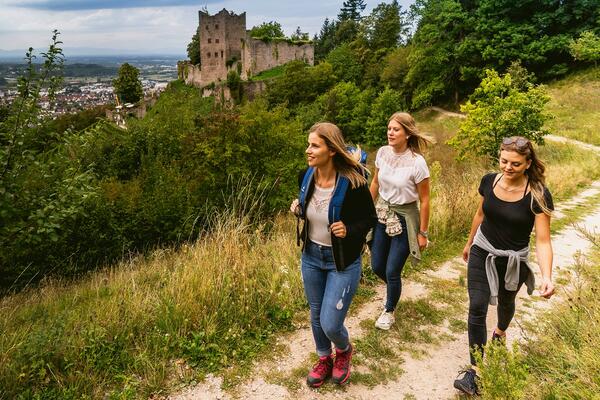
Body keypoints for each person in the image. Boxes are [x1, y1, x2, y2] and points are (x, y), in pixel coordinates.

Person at [453, 136, 555, 395]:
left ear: (528, 163)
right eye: (504, 161)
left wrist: (547, 276)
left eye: (516, 164)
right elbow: (480, 213)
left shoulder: (538, 194)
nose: (508, 167)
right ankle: (475, 372)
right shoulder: (489, 180)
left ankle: (500, 332)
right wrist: (468, 243)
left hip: (513, 260)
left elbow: (543, 240)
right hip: (482, 249)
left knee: (507, 304)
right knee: (477, 305)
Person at [290, 122, 376, 388]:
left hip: (342, 261)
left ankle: (344, 350)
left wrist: (349, 229)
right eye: (308, 144)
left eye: (314, 145)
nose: (308, 150)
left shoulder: (353, 183)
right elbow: (310, 209)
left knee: (330, 322)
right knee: (315, 315)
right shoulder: (307, 176)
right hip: (312, 257)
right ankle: (324, 358)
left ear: (332, 150)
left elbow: (369, 219)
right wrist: (299, 208)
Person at [369, 112, 433, 330]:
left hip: (406, 218)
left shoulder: (417, 163)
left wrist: (422, 233)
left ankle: (389, 310)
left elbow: (424, 200)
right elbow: (376, 183)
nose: (390, 133)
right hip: (382, 214)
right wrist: (366, 211)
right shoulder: (382, 153)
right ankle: (393, 290)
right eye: (389, 129)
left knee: (391, 270)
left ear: (407, 133)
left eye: (396, 129)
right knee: (377, 265)